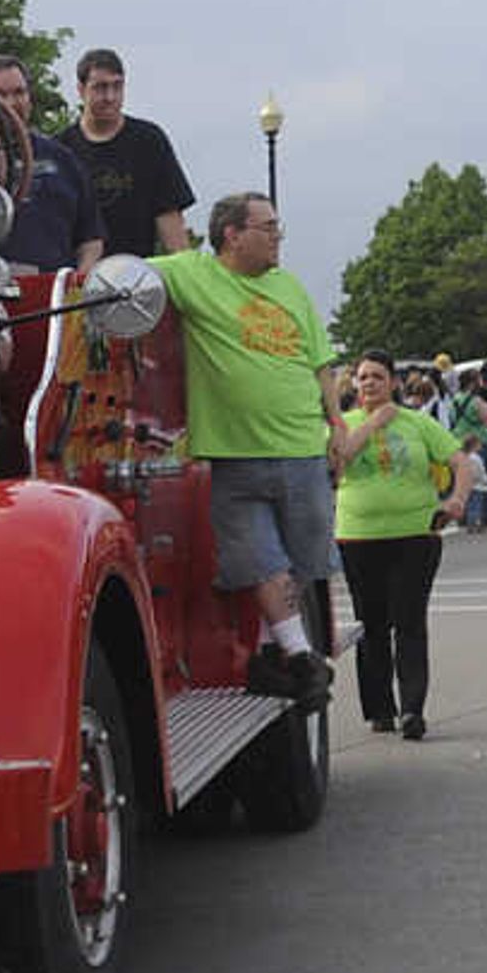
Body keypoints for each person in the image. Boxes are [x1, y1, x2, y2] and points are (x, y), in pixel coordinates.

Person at [153, 192, 341, 708]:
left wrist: (338, 423)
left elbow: (320, 362)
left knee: (302, 563)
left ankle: (273, 653)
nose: (278, 235)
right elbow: (121, 276)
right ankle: (299, 656)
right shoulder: (191, 274)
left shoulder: (290, 287)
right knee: (259, 562)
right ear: (231, 235)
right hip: (235, 454)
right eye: (268, 226)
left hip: (303, 445)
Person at [331, 352, 457, 739]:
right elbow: (337, 463)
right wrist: (372, 424)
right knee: (372, 625)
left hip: (414, 534)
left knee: (409, 621)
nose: (369, 383)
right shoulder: (341, 425)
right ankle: (380, 710)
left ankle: (412, 710)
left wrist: (457, 501)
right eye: (363, 377)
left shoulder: (418, 422)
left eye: (378, 377)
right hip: (359, 536)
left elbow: (460, 461)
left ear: (394, 383)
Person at [0, 54, 106, 278]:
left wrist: (80, 283)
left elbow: (91, 238)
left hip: (51, 296)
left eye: (19, 92)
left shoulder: (61, 159)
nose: (11, 103)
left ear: (29, 97)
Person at [62, 48, 195, 258]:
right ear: (81, 90)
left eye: (117, 86)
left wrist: (187, 276)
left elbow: (170, 219)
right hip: (77, 279)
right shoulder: (62, 149)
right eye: (100, 88)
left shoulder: (149, 141)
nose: (110, 97)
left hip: (136, 276)